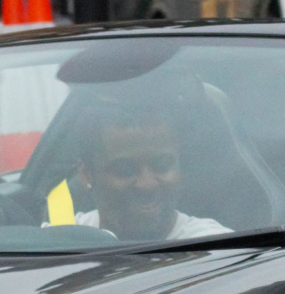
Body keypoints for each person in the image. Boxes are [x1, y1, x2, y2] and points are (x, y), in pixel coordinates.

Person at [66, 93, 228, 242]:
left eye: (162, 165)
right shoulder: (59, 240)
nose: (147, 185)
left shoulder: (220, 251)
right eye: (125, 170)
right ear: (86, 174)